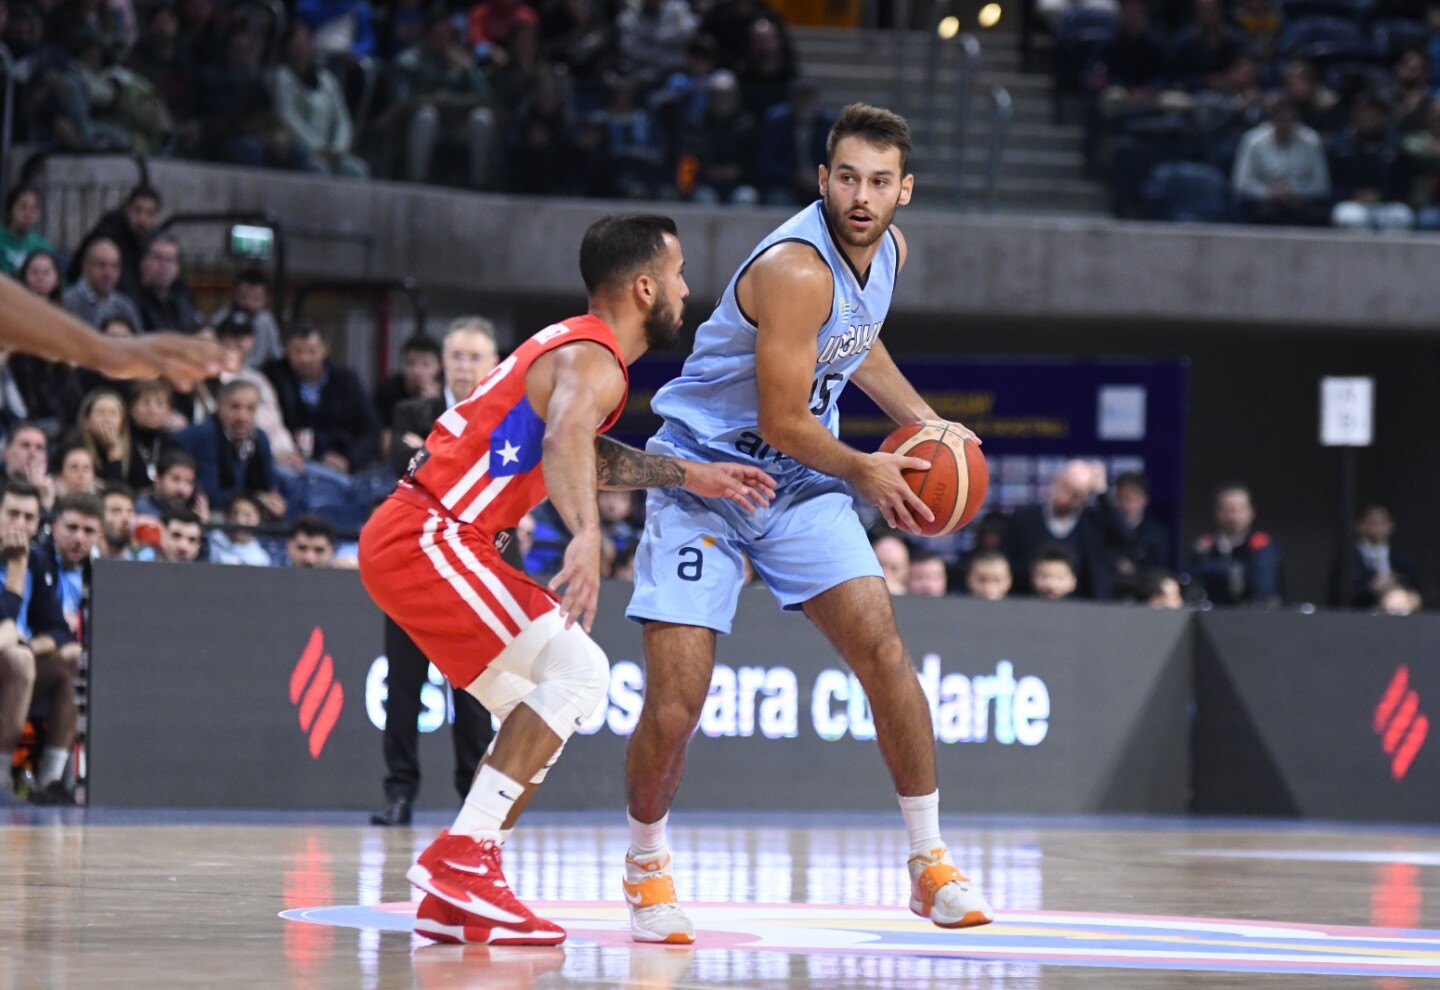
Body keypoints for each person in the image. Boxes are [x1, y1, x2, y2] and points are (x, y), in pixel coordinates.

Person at [623, 104, 994, 946]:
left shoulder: (889, 252)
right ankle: (646, 867)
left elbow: (856, 347)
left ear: (905, 190)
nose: (862, 197)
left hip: (798, 485)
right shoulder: (796, 269)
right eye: (847, 178)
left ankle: (929, 862)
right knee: (678, 703)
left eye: (879, 182)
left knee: (884, 650)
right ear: (823, 180)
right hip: (707, 478)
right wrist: (865, 468)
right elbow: (786, 419)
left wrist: (931, 426)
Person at [358, 213, 775, 945]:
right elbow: (562, 440)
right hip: (434, 534)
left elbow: (581, 445)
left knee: (535, 705)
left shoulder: (575, 351)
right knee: (580, 672)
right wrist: (585, 536)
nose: (685, 290)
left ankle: (456, 889)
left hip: (416, 536)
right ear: (646, 287)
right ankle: (464, 860)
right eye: (677, 277)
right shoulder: (599, 358)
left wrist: (689, 476)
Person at [373, 317, 503, 828]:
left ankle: (473, 799)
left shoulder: (507, 422)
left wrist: (428, 458)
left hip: (473, 574)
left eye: (476, 357)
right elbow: (404, 471)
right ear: (443, 362)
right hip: (411, 570)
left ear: (493, 364)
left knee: (474, 695)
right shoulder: (412, 410)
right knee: (403, 688)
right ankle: (399, 793)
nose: (466, 366)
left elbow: (495, 494)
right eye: (458, 356)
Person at [174, 379, 286, 517]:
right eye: (235, 407)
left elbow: (270, 487)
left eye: (250, 409)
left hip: (244, 509)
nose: (242, 416)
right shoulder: (206, 435)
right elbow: (209, 495)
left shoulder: (260, 437)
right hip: (203, 510)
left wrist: (274, 502)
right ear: (219, 407)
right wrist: (256, 498)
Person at [1004, 460, 1111, 598]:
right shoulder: (1024, 519)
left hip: (1082, 606)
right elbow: (1008, 562)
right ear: (1057, 480)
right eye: (1066, 487)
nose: (1067, 497)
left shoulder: (1092, 523)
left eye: (1077, 494)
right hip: (1027, 601)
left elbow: (1125, 540)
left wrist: (1102, 493)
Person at [1185, 483, 1283, 607]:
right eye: (1227, 511)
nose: (1233, 517)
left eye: (1238, 510)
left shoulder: (1261, 545)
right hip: (1213, 613)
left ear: (1251, 512)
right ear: (1216, 513)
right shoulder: (1205, 546)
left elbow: (1264, 586)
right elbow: (1192, 578)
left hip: (1252, 613)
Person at [1331, 503, 1419, 609]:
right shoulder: (1348, 558)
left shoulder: (1401, 559)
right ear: (1360, 525)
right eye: (1372, 523)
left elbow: (1413, 590)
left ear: (1391, 525)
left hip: (1396, 617)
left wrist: (1394, 586)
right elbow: (1338, 594)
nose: (1377, 528)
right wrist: (1372, 587)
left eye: (1382, 522)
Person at [62, 238, 144, 331]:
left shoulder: (125, 307)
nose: (108, 273)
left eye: (114, 266)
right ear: (85, 266)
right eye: (101, 265)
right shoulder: (65, 304)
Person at [0, 188, 58, 275]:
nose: (29, 214)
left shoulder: (41, 246)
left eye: (34, 208)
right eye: (23, 207)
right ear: (10, 210)